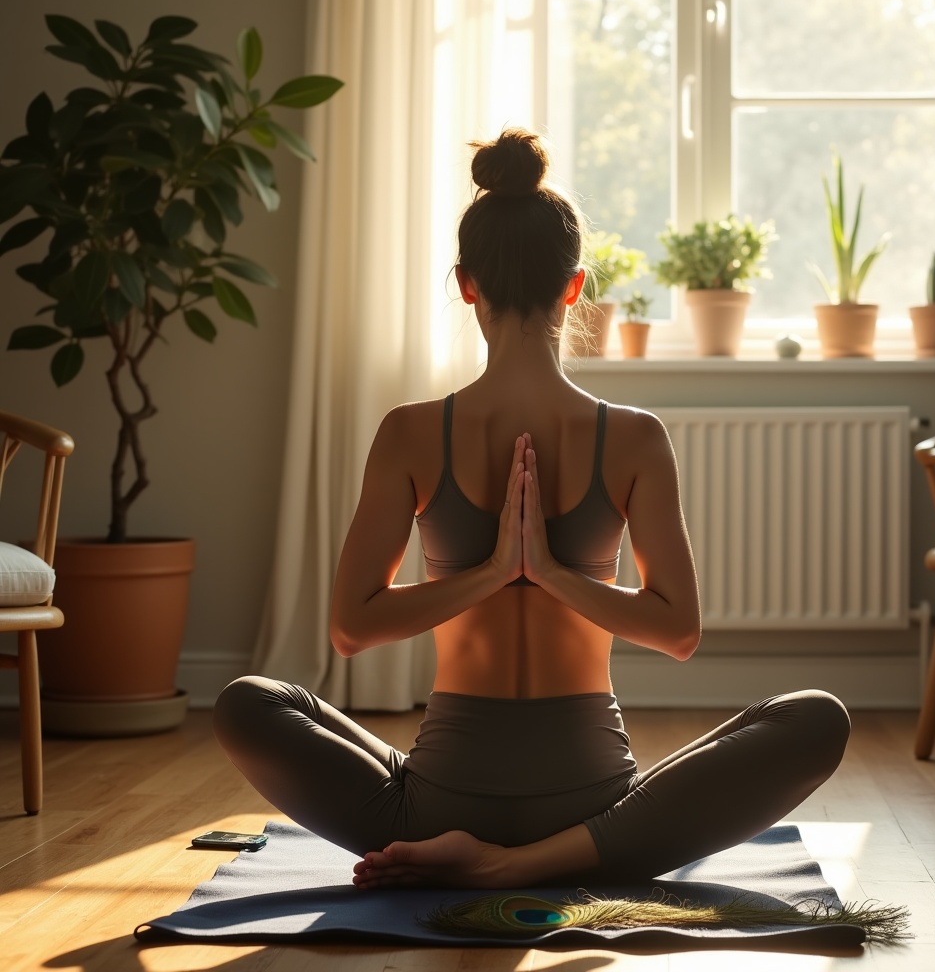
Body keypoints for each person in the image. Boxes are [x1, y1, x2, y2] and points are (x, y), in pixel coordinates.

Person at [213, 128, 850, 890]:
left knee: (248, 703)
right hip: (597, 813)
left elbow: (351, 629)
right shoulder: (635, 439)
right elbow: (679, 631)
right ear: (576, 286)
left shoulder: (411, 433)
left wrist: (498, 573)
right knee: (817, 718)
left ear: (465, 283)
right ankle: (541, 862)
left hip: (437, 807)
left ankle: (483, 856)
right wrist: (539, 573)